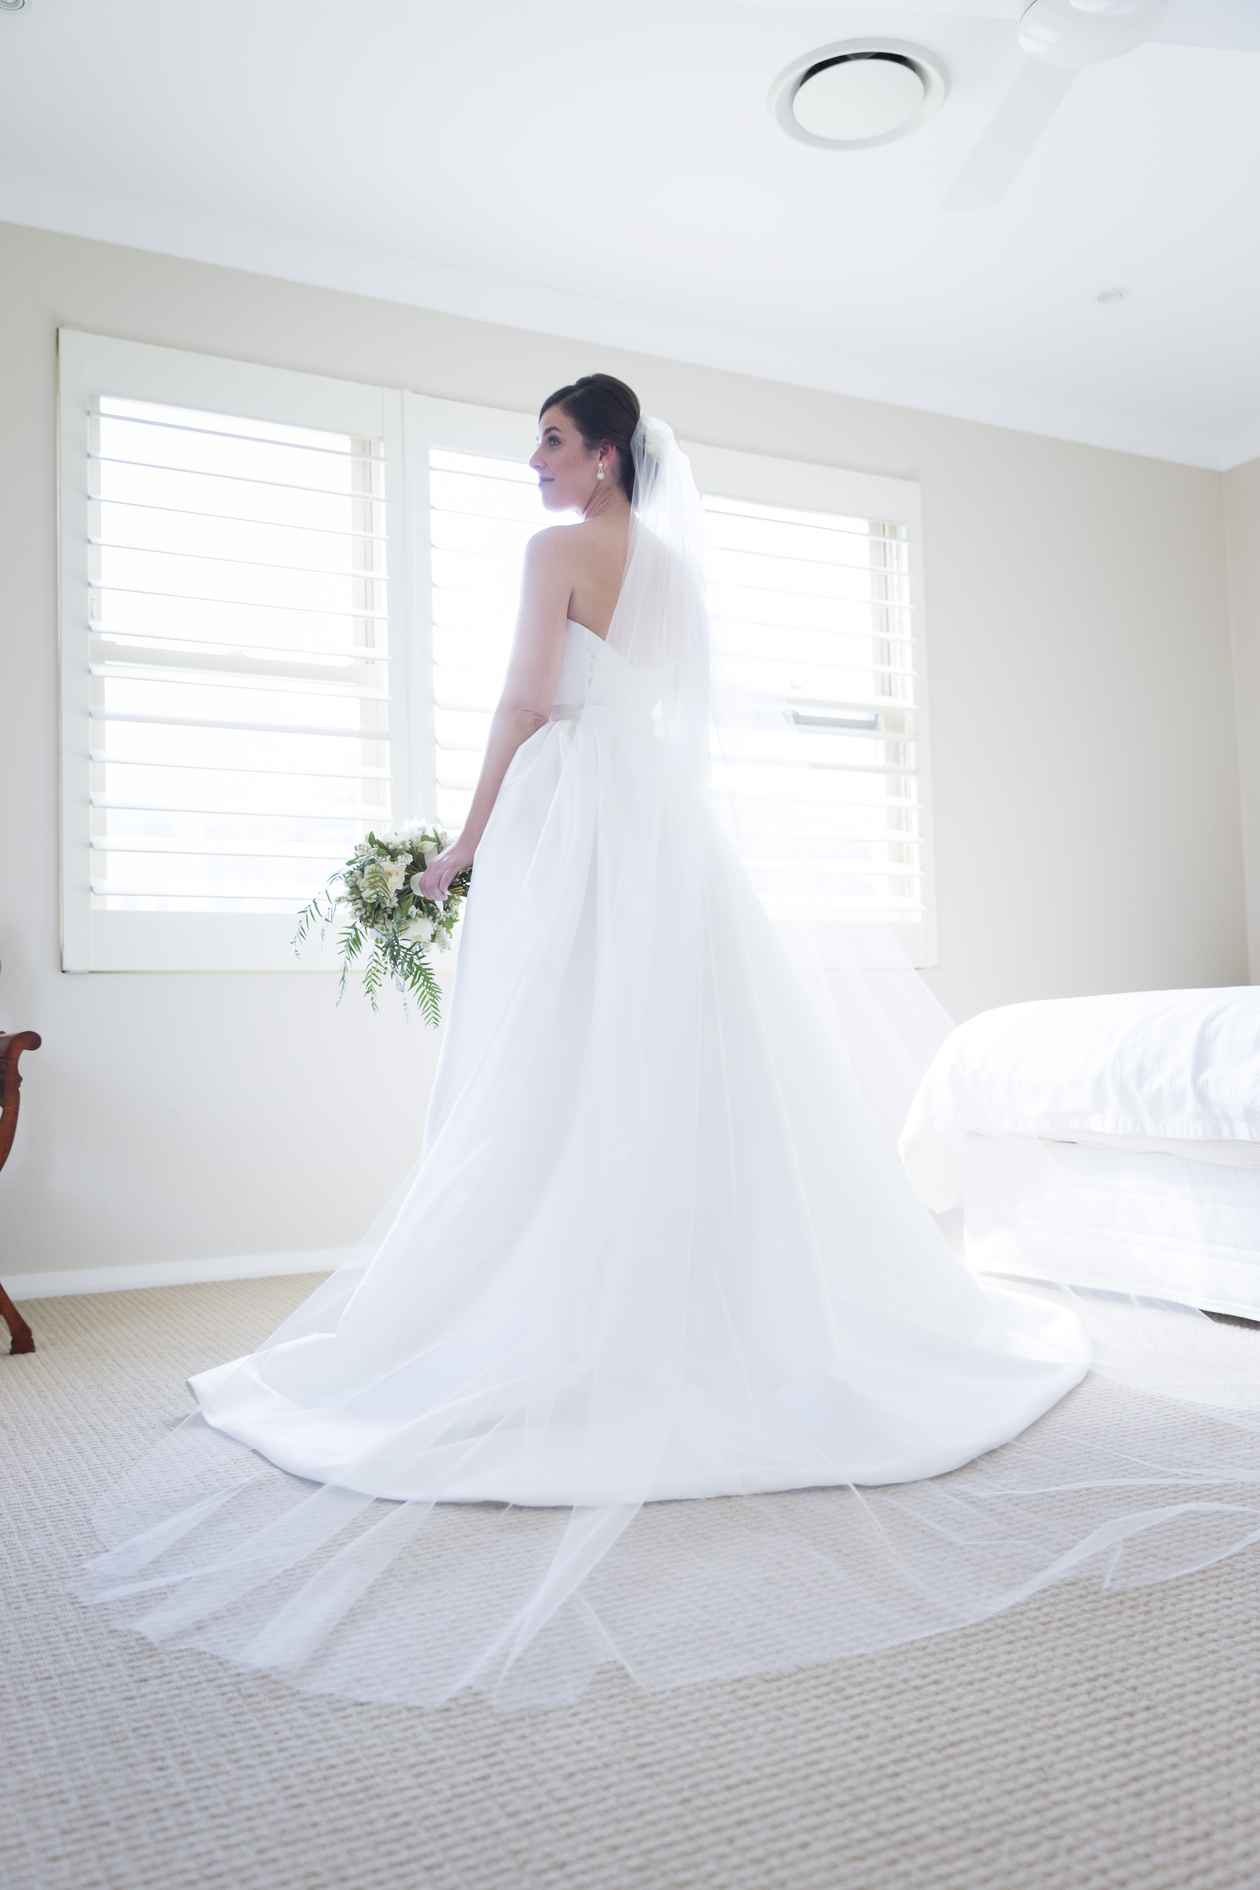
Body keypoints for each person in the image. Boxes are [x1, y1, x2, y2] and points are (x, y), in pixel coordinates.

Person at [69, 375, 1260, 1712]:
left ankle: (574, 1309)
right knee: (688, 1076)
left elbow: (524, 703)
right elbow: (681, 723)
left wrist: (461, 846)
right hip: (667, 839)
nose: (535, 462)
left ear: (608, 453)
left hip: (574, 820)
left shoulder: (553, 551)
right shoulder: (680, 572)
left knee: (555, 1075)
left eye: (553, 440)